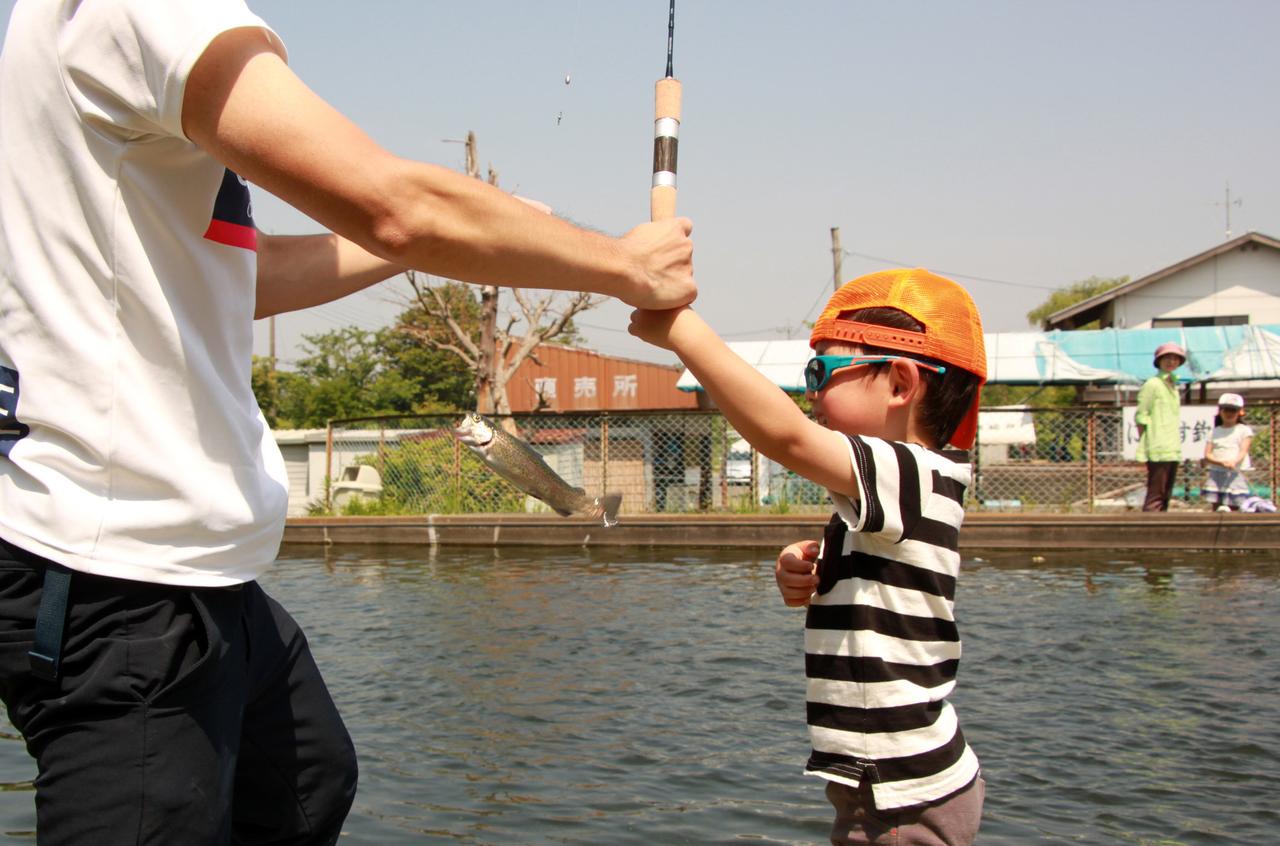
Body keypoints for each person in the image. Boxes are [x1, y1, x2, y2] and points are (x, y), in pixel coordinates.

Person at [0, 2, 695, 843]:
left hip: (197, 569)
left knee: (308, 785)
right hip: (114, 572)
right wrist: (624, 265)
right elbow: (393, 203)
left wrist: (477, 223)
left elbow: (241, 278)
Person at [629, 268, 986, 845]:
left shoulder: (911, 471)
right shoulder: (900, 486)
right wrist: (808, 568)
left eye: (821, 372)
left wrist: (681, 331)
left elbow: (786, 436)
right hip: (888, 781)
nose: (811, 393)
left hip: (900, 794)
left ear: (900, 382)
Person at [1135, 342, 1186, 512]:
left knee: (1166, 494)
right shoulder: (1153, 384)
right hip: (1158, 445)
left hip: (1172, 445)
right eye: (1167, 358)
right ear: (1159, 361)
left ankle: (1161, 530)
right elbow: (1141, 415)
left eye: (1175, 358)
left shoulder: (1173, 385)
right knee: (1156, 493)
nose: (1171, 361)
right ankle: (1148, 531)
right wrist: (1146, 442)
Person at [1202, 393, 1253, 512]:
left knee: (1235, 504)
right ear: (1220, 411)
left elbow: (1243, 450)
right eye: (1226, 410)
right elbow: (1207, 454)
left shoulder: (1244, 430)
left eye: (1233, 410)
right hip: (1217, 473)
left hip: (1235, 473)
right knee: (1217, 505)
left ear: (1240, 412)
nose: (1229, 414)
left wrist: (1234, 462)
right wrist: (1221, 462)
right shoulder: (1214, 432)